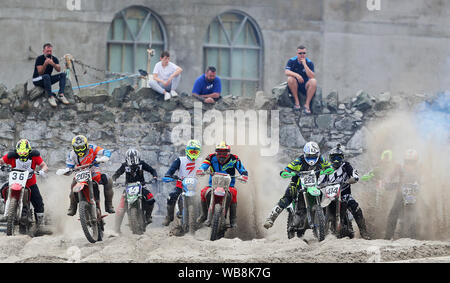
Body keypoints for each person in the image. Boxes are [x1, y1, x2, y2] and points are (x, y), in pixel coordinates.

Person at [263, 141, 330, 229]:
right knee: (288, 196)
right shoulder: (299, 161)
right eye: (309, 156)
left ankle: (320, 218)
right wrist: (286, 173)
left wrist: (327, 170)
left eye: (313, 156)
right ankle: (271, 218)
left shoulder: (321, 160)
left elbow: (329, 167)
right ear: (305, 154)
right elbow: (287, 169)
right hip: (297, 184)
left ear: (317, 154)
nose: (311, 158)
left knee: (321, 194)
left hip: (313, 185)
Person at [318, 144, 371, 239]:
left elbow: (353, 172)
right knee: (319, 210)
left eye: (338, 157)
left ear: (342, 158)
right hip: (329, 197)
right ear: (330, 158)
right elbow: (320, 180)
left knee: (356, 208)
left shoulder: (346, 165)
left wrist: (354, 178)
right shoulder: (326, 168)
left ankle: (364, 232)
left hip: (344, 195)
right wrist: (317, 185)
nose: (336, 160)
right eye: (334, 158)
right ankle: (320, 232)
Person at [196, 141, 248, 228]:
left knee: (233, 193)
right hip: (212, 185)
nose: (221, 154)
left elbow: (241, 168)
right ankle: (204, 214)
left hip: (229, 186)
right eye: (219, 152)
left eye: (224, 152)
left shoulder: (234, 158)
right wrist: (201, 170)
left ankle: (233, 220)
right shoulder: (211, 157)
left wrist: (244, 175)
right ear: (216, 152)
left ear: (228, 152)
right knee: (204, 192)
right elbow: (204, 165)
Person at [0, 139, 49, 229]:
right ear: (17, 152)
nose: (22, 155)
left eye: (25, 153)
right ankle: (8, 208)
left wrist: (42, 171)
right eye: (20, 153)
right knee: (2, 189)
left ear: (29, 151)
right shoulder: (11, 156)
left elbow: (44, 166)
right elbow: (1, 161)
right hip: (14, 183)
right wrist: (1, 166)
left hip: (30, 184)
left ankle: (40, 224)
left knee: (38, 202)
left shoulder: (34, 156)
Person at [65, 135, 115, 216]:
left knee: (108, 180)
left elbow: (106, 151)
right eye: (77, 148)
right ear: (74, 148)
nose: (80, 150)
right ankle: (72, 207)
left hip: (93, 171)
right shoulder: (71, 154)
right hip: (80, 173)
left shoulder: (92, 148)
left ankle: (109, 204)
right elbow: (69, 167)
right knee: (72, 187)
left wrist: (105, 157)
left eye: (82, 147)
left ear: (86, 145)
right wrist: (66, 171)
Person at [112, 148, 158, 231]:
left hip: (141, 185)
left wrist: (154, 177)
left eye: (134, 160)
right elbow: (116, 174)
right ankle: (116, 229)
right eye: (131, 160)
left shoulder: (142, 164)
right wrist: (114, 181)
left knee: (151, 199)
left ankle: (148, 217)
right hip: (128, 187)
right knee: (121, 207)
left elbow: (152, 170)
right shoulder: (124, 165)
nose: (133, 162)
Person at [162, 140, 202, 226]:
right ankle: (169, 217)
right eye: (192, 151)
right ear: (187, 151)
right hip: (181, 185)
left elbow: (209, 170)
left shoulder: (202, 161)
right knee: (171, 196)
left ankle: (205, 217)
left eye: (196, 151)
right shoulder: (180, 160)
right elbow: (171, 170)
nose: (194, 153)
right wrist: (168, 175)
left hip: (197, 186)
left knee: (205, 198)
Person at [384, 149, 422, 240]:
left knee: (422, 211)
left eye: (412, 162)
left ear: (416, 162)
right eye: (407, 161)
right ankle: (388, 236)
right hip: (400, 192)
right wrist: (387, 181)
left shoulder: (420, 168)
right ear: (404, 160)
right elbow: (390, 176)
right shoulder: (399, 167)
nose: (409, 164)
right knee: (393, 213)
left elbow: (428, 178)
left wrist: (422, 184)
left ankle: (415, 236)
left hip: (415, 193)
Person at [32, 43, 69, 107]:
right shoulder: (39, 58)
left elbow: (58, 69)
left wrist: (53, 64)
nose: (49, 52)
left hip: (47, 79)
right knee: (46, 76)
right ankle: (50, 97)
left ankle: (61, 95)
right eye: (47, 51)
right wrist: (45, 64)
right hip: (37, 79)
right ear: (43, 51)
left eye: (50, 51)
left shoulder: (54, 59)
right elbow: (40, 72)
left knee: (63, 75)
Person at [285, 45, 317, 113]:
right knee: (290, 78)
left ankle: (307, 105)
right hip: (295, 84)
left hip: (305, 85)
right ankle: (297, 102)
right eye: (300, 53)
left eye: (304, 53)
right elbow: (286, 72)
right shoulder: (291, 61)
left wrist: (305, 65)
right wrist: (297, 75)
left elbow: (312, 76)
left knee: (313, 81)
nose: (302, 55)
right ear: (297, 54)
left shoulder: (309, 62)